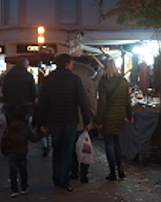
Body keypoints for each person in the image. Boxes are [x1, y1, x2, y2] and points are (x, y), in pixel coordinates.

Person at [37, 54, 91, 192]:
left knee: (57, 149)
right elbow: (82, 101)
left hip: (54, 120)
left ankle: (56, 177)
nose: (72, 65)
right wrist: (87, 120)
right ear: (67, 64)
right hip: (70, 119)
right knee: (67, 150)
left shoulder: (48, 80)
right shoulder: (74, 79)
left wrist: (41, 122)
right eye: (71, 63)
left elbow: (42, 102)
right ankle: (64, 180)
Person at [94, 59, 132, 181]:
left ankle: (112, 171)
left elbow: (102, 104)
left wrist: (98, 120)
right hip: (119, 117)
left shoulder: (103, 83)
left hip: (108, 117)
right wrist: (130, 116)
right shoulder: (123, 82)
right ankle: (120, 169)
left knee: (109, 144)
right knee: (117, 143)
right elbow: (127, 101)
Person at [1, 105, 43, 197]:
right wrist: (41, 133)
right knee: (23, 169)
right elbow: (34, 139)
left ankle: (14, 189)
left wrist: (4, 150)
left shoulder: (9, 128)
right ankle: (24, 186)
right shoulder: (25, 128)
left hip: (11, 151)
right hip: (22, 151)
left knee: (13, 170)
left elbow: (4, 139)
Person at [70, 55, 98, 183]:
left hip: (70, 117)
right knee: (84, 145)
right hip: (84, 118)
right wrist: (94, 116)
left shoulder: (69, 77)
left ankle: (74, 171)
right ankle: (84, 173)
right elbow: (92, 101)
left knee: (72, 146)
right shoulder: (88, 80)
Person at [1, 58, 37, 122]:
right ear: (25, 65)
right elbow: (33, 90)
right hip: (24, 103)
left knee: (11, 124)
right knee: (23, 123)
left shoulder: (8, 75)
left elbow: (4, 89)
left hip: (9, 103)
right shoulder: (28, 76)